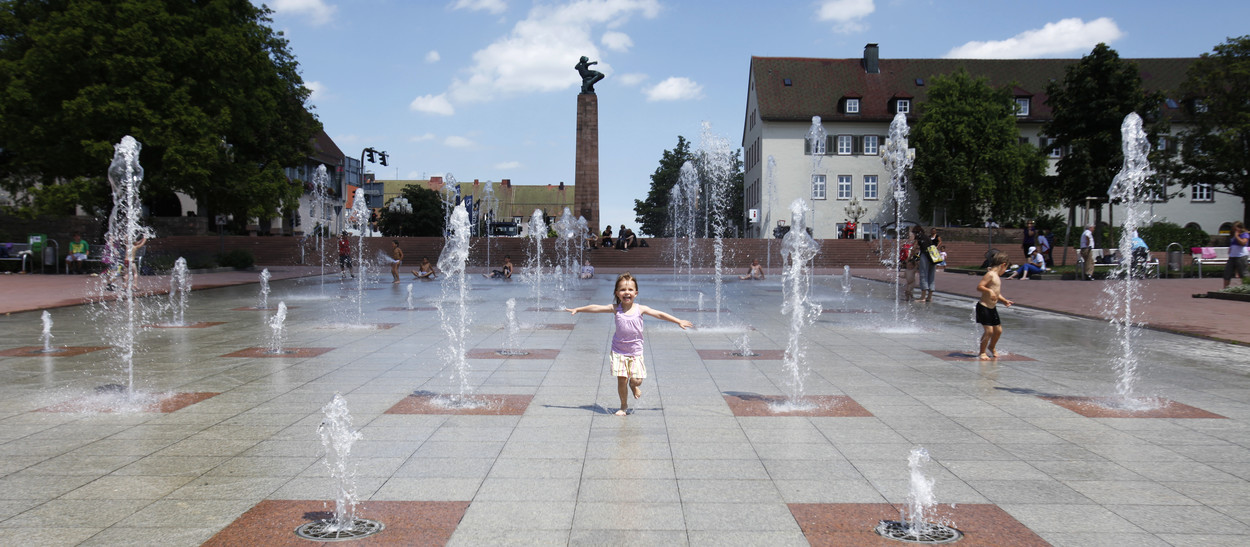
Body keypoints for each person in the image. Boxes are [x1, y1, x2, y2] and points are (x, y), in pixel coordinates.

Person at [564, 273, 693, 416]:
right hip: (619, 351)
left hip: (635, 352)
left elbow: (659, 314)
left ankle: (633, 386)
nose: (627, 292)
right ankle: (623, 406)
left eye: (630, 290)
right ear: (617, 293)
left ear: (636, 293)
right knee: (621, 380)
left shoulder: (640, 309)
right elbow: (596, 307)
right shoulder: (615, 308)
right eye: (623, 290)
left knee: (637, 380)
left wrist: (678, 321)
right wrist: (579, 309)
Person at [975, 251, 1014, 360]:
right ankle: (982, 352)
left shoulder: (996, 276)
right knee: (989, 331)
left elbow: (996, 292)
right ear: (1003, 265)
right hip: (983, 307)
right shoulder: (990, 274)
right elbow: (979, 287)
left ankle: (991, 346)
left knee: (998, 330)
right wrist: (989, 291)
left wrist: (1004, 300)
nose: (1005, 271)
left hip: (992, 308)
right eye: (1006, 268)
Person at [913, 226, 937, 302]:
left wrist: (910, 257)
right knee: (931, 276)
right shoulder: (927, 237)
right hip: (933, 256)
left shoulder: (919, 237)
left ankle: (922, 297)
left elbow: (914, 247)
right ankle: (929, 297)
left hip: (925, 255)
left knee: (923, 274)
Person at [1225, 220, 1248, 289]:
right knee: (1227, 273)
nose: (1234, 230)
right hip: (1232, 256)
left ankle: (1246, 288)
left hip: (1241, 256)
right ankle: (1225, 289)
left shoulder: (1244, 234)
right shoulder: (1232, 236)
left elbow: (1243, 243)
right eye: (1233, 228)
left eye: (1236, 228)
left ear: (1240, 228)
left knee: (1243, 273)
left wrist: (1237, 236)